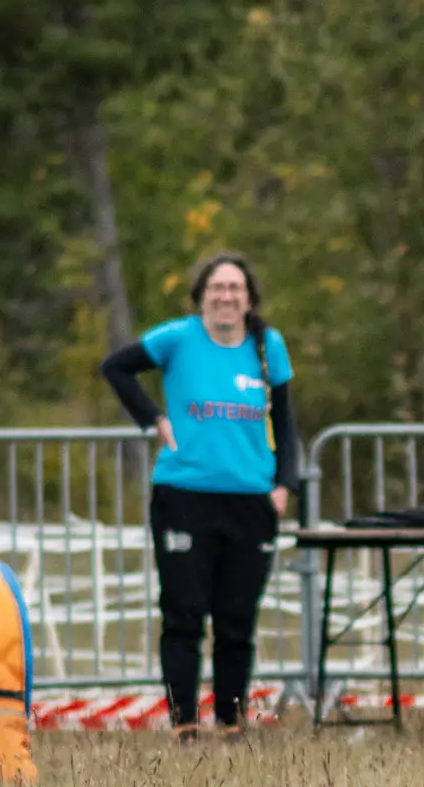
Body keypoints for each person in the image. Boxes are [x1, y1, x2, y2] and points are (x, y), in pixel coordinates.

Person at [100, 251, 298, 744]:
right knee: (184, 613)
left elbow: (287, 423)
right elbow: (116, 368)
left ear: (249, 299)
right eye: (217, 287)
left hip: (250, 500)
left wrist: (284, 485)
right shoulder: (177, 338)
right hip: (184, 495)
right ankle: (184, 723)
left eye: (235, 288)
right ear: (202, 296)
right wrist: (153, 419)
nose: (226, 296)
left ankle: (232, 722)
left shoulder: (267, 346)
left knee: (237, 618)